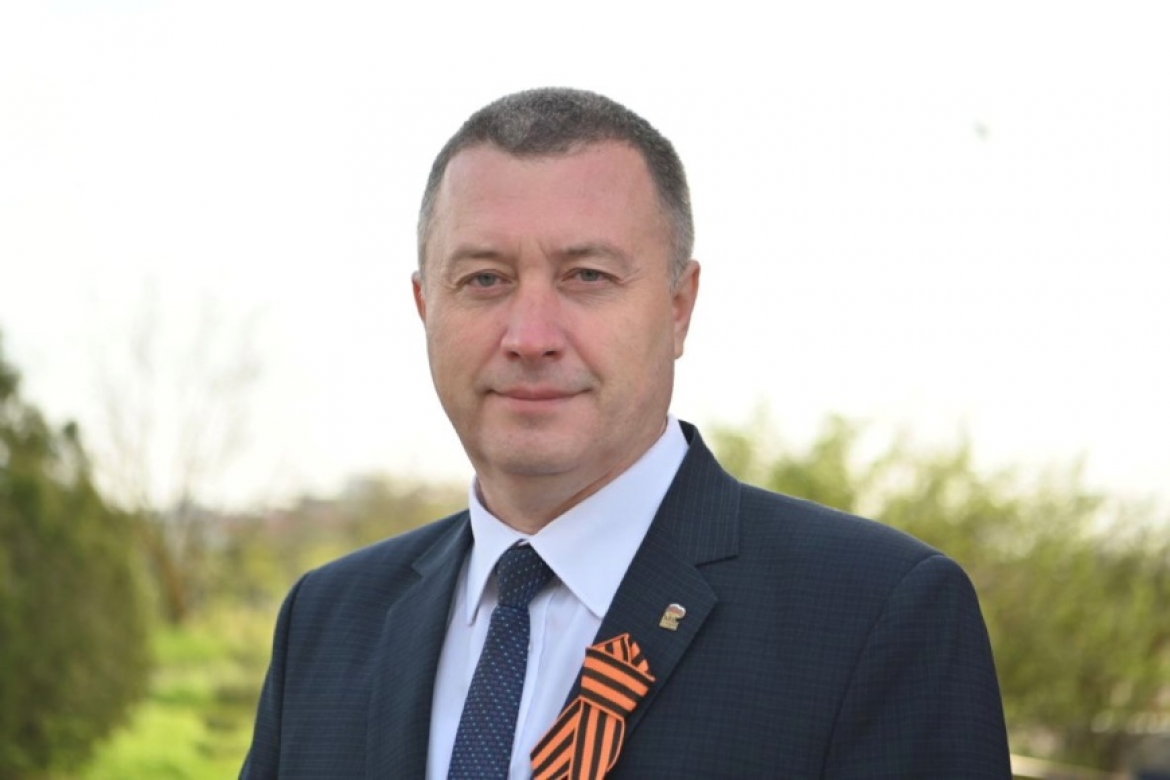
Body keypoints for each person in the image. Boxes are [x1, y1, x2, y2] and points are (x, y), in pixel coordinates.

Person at [241, 87, 1011, 779]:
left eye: (587, 276)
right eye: (484, 279)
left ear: (679, 307)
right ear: (424, 308)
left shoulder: (876, 615)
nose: (531, 336)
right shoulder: (326, 621)